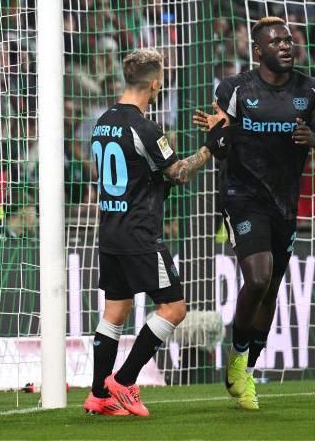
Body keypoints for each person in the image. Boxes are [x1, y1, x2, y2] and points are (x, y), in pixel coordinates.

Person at [194, 16, 315, 410]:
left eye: (289, 40)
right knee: (257, 278)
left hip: (285, 202)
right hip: (243, 196)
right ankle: (237, 353)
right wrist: (218, 137)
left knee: (271, 289)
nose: (286, 46)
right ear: (258, 51)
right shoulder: (235, 89)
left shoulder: (313, 92)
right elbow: (218, 142)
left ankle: (248, 370)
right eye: (276, 42)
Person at [85, 48, 225, 417]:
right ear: (155, 84)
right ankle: (126, 380)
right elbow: (178, 172)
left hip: (110, 230)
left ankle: (99, 394)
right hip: (139, 233)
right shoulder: (144, 128)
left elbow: (137, 175)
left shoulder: (102, 121)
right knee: (174, 308)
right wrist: (210, 147)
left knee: (115, 311)